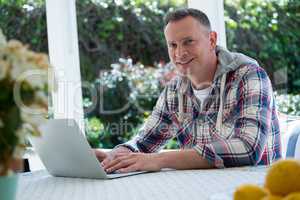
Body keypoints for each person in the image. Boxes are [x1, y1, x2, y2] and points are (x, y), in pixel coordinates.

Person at [94, 8, 281, 173]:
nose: (179, 53)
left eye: (188, 42)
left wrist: (159, 160)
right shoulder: (175, 91)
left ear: (212, 40)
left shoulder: (249, 76)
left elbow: (249, 148)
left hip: (255, 189)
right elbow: (144, 141)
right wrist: (119, 154)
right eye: (173, 45)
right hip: (200, 189)